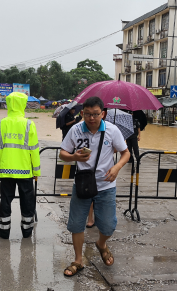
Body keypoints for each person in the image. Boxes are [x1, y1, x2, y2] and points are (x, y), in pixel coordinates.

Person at [59, 97, 129, 277]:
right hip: (82, 184)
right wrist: (74, 157)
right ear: (82, 113)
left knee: (107, 226)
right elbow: (62, 153)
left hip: (106, 185)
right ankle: (78, 260)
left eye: (96, 114)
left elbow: (125, 153)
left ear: (103, 114)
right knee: (76, 224)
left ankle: (101, 244)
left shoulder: (112, 131)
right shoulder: (75, 130)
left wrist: (117, 167)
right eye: (88, 114)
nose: (91, 118)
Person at [0, 92, 41, 239]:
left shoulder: (0, 124)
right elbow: (34, 150)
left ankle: (4, 232)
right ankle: (27, 232)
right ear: (23, 105)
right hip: (25, 171)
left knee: (5, 201)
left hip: (5, 171)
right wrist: (36, 171)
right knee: (27, 201)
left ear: (8, 104)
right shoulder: (28, 124)